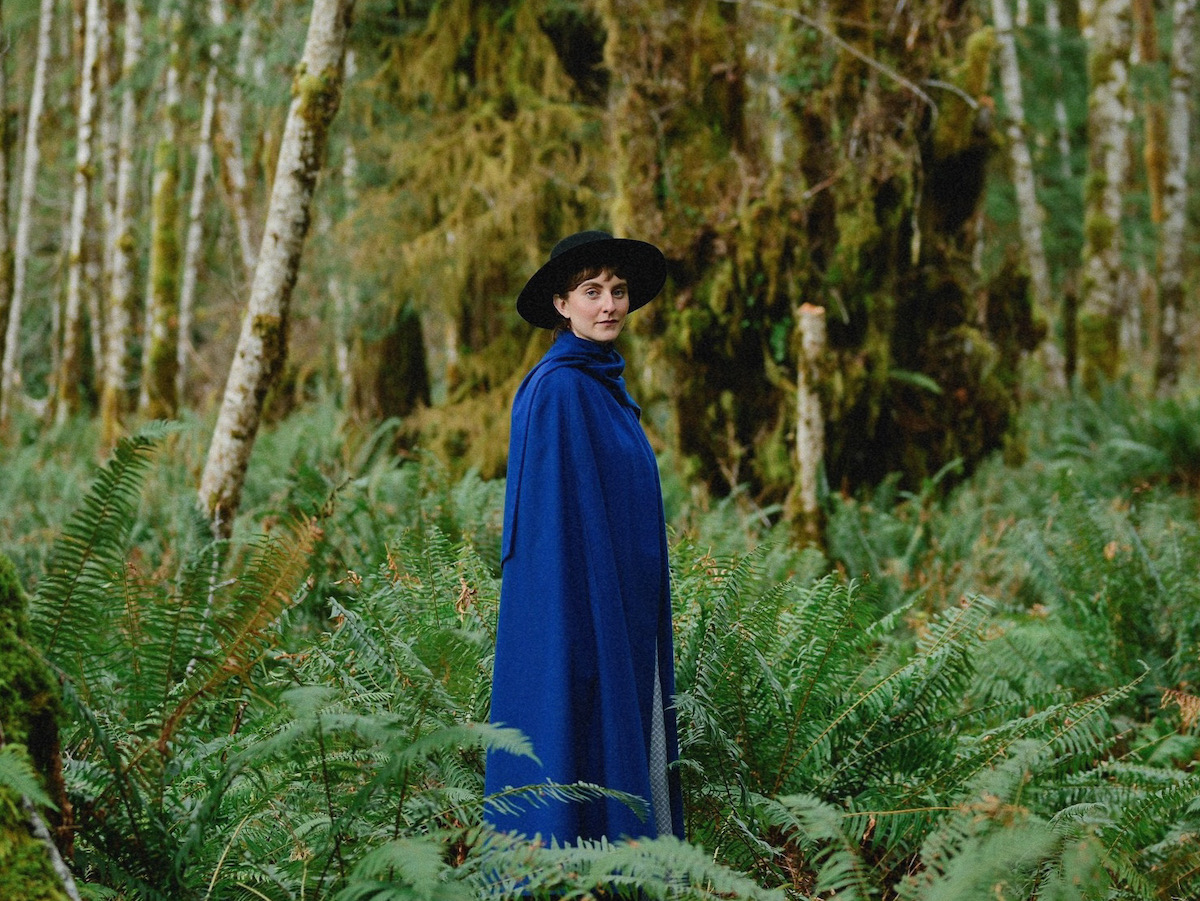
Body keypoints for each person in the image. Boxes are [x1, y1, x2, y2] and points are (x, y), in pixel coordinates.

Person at [483, 230, 685, 847]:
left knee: (620, 736)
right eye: (591, 291)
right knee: (573, 736)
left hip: (623, 607)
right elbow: (553, 531)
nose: (610, 305)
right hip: (577, 610)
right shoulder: (559, 389)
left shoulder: (603, 387)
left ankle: (626, 870)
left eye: (618, 291)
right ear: (561, 305)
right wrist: (582, 615)